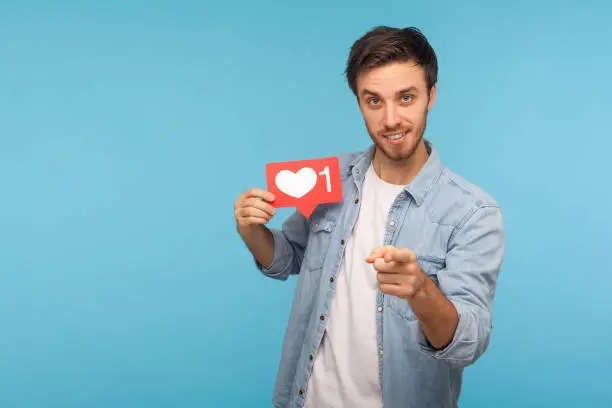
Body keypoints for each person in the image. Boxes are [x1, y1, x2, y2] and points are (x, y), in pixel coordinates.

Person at [233, 26, 505, 408]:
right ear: (359, 103)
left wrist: (421, 290)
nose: (391, 119)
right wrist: (250, 230)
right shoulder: (329, 177)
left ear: (431, 95)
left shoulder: (474, 213)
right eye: (373, 101)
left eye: (406, 98)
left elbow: (468, 344)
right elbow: (285, 258)